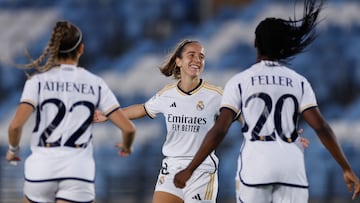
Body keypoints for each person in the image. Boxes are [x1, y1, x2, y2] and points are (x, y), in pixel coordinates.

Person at [173, 0, 360, 202]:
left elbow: (219, 130)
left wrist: (190, 169)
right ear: (283, 45)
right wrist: (346, 168)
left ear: (255, 42)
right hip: (292, 169)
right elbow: (322, 127)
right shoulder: (299, 82)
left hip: (256, 168)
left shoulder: (239, 81)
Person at [5, 21, 136, 203]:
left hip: (42, 169)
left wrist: (13, 150)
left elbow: (15, 126)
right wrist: (126, 146)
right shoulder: (95, 83)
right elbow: (129, 129)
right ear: (81, 49)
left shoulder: (37, 82)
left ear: (53, 49)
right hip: (78, 171)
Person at [95, 39, 221, 203]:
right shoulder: (167, 94)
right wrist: (110, 114)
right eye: (192, 55)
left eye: (202, 56)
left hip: (201, 171)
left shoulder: (216, 95)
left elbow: (242, 116)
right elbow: (142, 109)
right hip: (171, 169)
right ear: (178, 61)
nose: (198, 60)